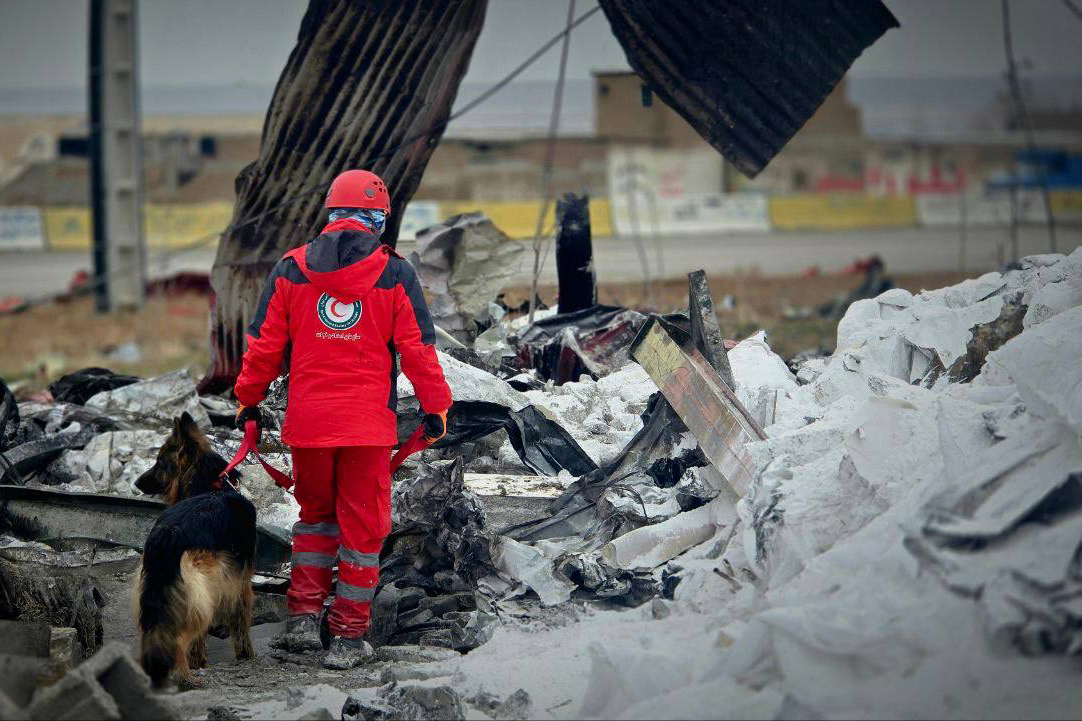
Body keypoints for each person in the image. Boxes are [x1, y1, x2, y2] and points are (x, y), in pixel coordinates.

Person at [232, 169, 452, 669]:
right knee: (363, 529)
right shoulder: (395, 273)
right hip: (368, 430)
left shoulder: (289, 269)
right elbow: (418, 351)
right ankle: (349, 636)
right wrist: (437, 408)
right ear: (377, 218)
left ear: (330, 214)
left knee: (315, 519)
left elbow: (264, 347)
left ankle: (304, 622)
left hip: (308, 428)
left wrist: (247, 398)